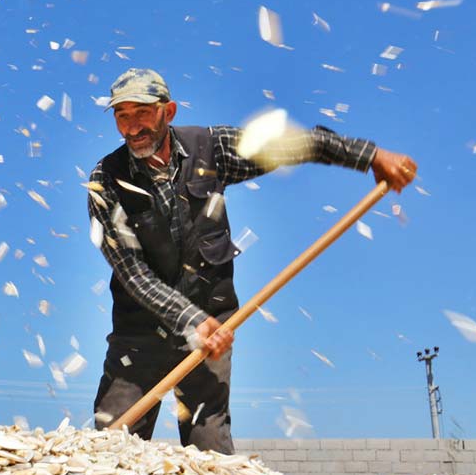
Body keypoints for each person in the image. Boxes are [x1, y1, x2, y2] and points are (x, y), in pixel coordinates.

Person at [87, 68, 417, 453]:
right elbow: (133, 274)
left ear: (169, 111)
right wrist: (189, 320)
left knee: (210, 451)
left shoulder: (210, 148)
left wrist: (368, 156)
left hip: (214, 325)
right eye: (122, 115)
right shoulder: (105, 181)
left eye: (141, 112)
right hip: (139, 335)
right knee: (109, 452)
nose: (131, 127)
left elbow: (292, 145)